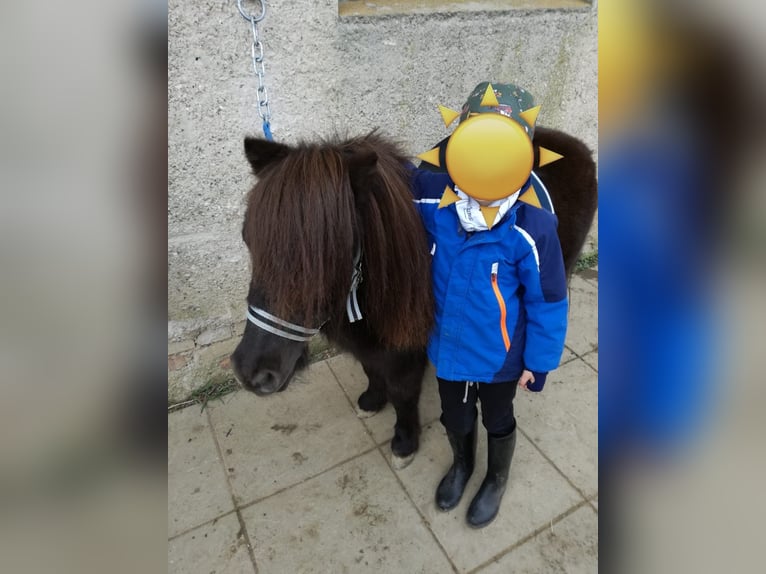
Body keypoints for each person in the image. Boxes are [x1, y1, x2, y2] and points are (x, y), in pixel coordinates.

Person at [409, 82, 568, 528]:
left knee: (498, 417)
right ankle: (462, 465)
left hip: (501, 356)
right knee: (454, 414)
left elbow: (549, 301)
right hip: (447, 347)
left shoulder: (532, 226)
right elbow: (388, 184)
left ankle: (496, 477)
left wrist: (539, 362)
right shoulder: (428, 194)